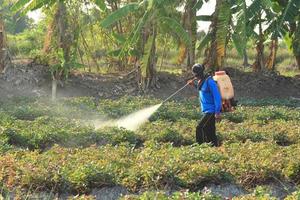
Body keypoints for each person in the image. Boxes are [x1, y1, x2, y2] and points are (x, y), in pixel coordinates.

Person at [188, 64, 222, 147]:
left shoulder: (209, 81)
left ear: (200, 73)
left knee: (200, 127)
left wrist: (217, 112)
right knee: (209, 131)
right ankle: (215, 147)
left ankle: (200, 147)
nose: (195, 76)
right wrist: (193, 85)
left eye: (196, 75)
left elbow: (217, 97)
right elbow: (203, 90)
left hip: (211, 110)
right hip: (206, 110)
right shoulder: (202, 81)